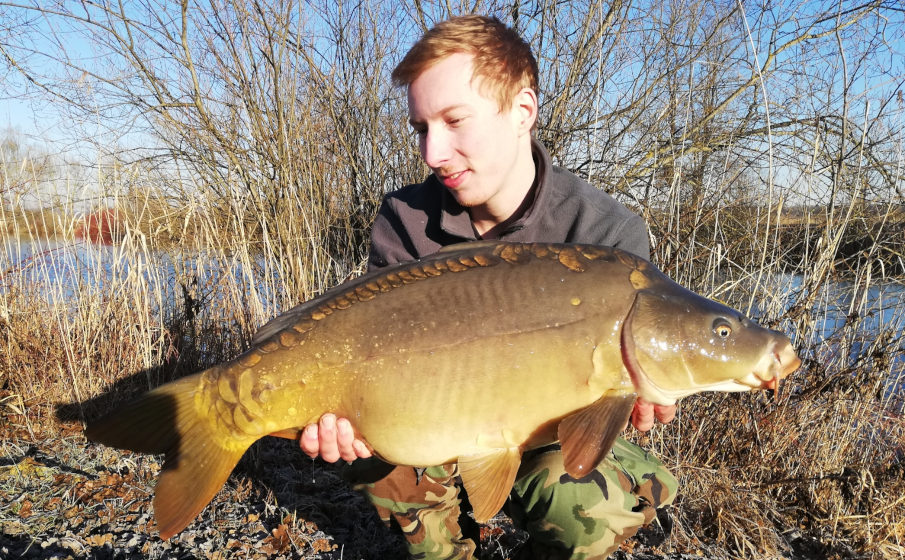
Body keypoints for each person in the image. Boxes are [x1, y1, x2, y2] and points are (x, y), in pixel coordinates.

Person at [298, 15, 678, 560]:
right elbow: (372, 359)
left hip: (550, 435)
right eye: (421, 129)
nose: (432, 153)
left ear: (523, 111)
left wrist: (639, 392)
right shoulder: (406, 220)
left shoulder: (605, 236)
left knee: (580, 503)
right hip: (439, 419)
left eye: (455, 121)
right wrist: (349, 417)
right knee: (382, 463)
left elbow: (626, 380)